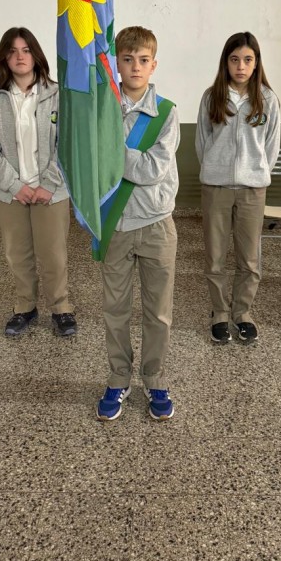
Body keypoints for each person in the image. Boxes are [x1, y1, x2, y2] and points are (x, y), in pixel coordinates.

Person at [96, 26, 180, 422]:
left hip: (156, 224)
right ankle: (117, 378)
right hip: (116, 224)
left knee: (157, 310)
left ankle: (155, 378)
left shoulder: (166, 112)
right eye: (126, 59)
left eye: (142, 60)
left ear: (153, 64)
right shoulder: (102, 112)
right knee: (115, 309)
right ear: (117, 62)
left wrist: (112, 152)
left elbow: (150, 170)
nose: (134, 67)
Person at [0, 27, 77, 339]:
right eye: (13, 50)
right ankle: (25, 307)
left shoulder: (58, 94)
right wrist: (16, 185)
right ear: (4, 57)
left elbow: (68, 143)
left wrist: (48, 184)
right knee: (18, 253)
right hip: (10, 193)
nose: (20, 56)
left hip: (51, 190)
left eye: (26, 50)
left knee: (53, 254)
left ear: (36, 55)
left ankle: (61, 308)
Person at [195, 31, 280, 345]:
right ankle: (219, 312)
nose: (241, 66)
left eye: (247, 59)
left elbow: (271, 146)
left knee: (249, 257)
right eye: (234, 59)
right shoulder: (212, 96)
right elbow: (202, 142)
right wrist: (214, 170)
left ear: (256, 63)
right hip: (216, 188)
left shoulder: (267, 99)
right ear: (226, 62)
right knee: (215, 255)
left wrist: (254, 174)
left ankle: (242, 312)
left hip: (251, 190)